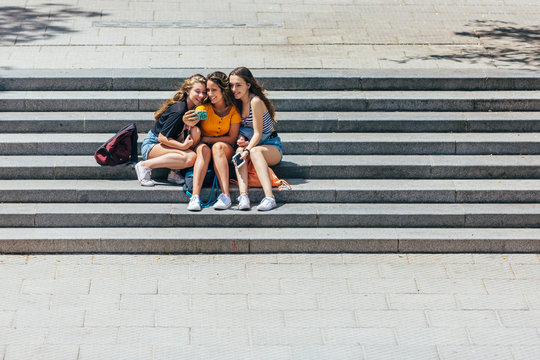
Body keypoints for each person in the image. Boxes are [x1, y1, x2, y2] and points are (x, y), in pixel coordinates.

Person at [135, 74, 206, 187]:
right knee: (191, 157)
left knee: (195, 132)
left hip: (167, 143)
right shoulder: (179, 110)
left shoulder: (193, 108)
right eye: (197, 91)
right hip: (153, 145)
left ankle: (173, 173)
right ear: (188, 91)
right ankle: (144, 165)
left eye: (204, 92)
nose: (201, 95)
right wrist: (183, 147)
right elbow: (161, 138)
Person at [229, 66, 283, 211]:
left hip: (271, 146)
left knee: (254, 152)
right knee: (239, 151)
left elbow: (258, 133)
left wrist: (247, 149)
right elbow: (245, 129)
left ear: (248, 85)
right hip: (253, 144)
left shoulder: (255, 102)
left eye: (238, 85)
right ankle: (243, 196)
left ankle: (270, 197)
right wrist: (241, 139)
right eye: (232, 85)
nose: (234, 89)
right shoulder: (238, 103)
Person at [186, 71, 241, 211]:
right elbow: (195, 117)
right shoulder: (205, 109)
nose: (209, 94)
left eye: (214, 90)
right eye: (208, 90)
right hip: (204, 150)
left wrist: (207, 138)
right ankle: (195, 197)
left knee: (217, 147)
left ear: (223, 90)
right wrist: (191, 119)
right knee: (204, 148)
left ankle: (225, 196)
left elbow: (232, 139)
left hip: (224, 150)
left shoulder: (233, 111)